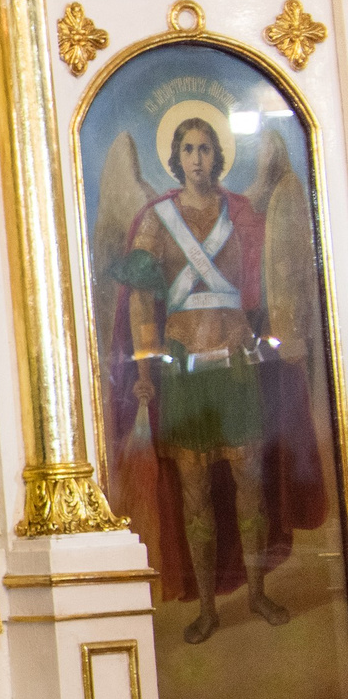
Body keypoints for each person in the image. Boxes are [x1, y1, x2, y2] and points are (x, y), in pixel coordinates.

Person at [112, 113, 322, 643]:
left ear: (219, 156)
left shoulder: (244, 214)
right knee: (195, 493)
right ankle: (207, 607)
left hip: (235, 368)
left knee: (250, 488)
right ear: (176, 158)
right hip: (185, 373)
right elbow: (142, 303)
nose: (198, 158)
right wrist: (144, 371)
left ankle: (255, 593)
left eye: (207, 148)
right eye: (189, 149)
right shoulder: (158, 222)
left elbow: (271, 283)